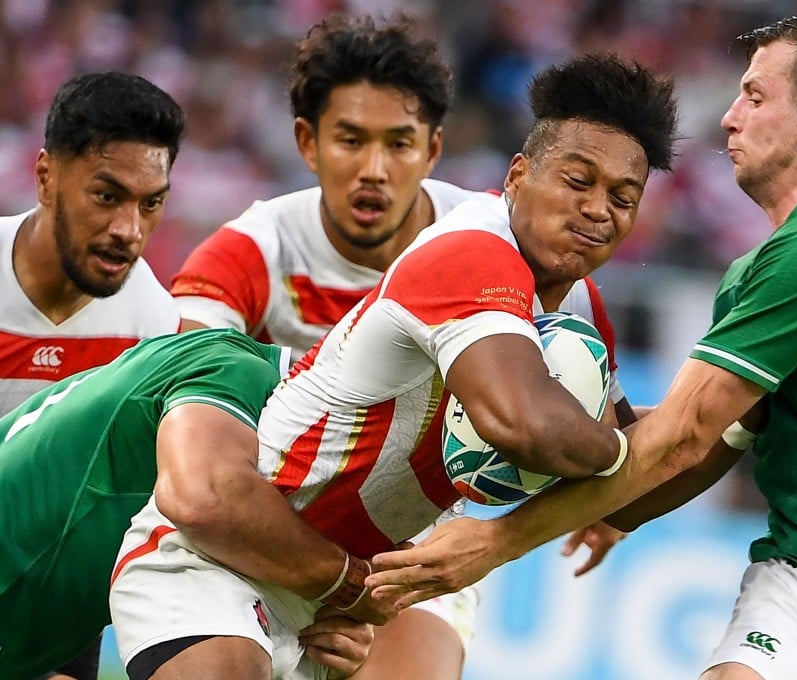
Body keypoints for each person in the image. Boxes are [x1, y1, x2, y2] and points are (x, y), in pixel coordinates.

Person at [365, 14, 797, 680]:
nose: (729, 117)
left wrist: (497, 541)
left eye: (755, 96)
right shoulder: (771, 266)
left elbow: (680, 438)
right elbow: (709, 443)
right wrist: (616, 507)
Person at [108, 52, 679, 679]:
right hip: (231, 551)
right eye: (577, 181)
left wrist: (732, 414)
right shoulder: (468, 250)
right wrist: (628, 456)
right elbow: (527, 425)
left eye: (622, 198)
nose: (598, 209)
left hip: (363, 586)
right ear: (517, 176)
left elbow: (633, 473)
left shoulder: (579, 304)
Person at [0, 328, 374, 680]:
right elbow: (201, 503)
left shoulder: (230, 375)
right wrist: (347, 584)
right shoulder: (234, 372)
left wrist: (320, 625)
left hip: (43, 626)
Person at [0, 71, 184, 680]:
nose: (129, 230)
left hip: (56, 608)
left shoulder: (152, 326)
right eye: (107, 196)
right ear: (46, 177)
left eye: (150, 204)